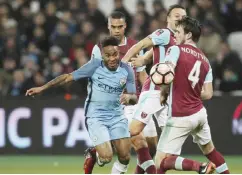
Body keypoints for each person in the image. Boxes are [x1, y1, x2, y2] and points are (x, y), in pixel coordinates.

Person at [26, 36, 136, 174]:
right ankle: (94, 155)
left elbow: (134, 97)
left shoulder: (127, 70)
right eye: (108, 55)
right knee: (107, 157)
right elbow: (67, 77)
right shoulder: (94, 66)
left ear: (119, 52)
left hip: (117, 116)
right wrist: (42, 88)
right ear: (102, 55)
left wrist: (129, 97)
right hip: (96, 116)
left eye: (115, 54)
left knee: (125, 156)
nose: (112, 58)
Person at [83, 11, 158, 174]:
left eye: (120, 27)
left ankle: (95, 153)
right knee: (139, 142)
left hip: (137, 100)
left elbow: (142, 74)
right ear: (108, 27)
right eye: (113, 27)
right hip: (117, 104)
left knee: (152, 147)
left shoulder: (135, 46)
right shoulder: (99, 49)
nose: (116, 30)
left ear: (125, 26)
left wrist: (150, 93)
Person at [156, 16, 230, 174]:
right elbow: (208, 93)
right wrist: (191, 93)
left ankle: (200, 167)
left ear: (188, 35)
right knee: (211, 151)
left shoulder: (176, 50)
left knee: (160, 162)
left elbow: (166, 73)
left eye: (178, 31)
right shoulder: (205, 61)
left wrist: (163, 89)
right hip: (199, 114)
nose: (175, 35)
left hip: (180, 115)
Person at [122, 4, 187, 173]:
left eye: (183, 16)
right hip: (153, 91)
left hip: (169, 95)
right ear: (168, 18)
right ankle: (99, 145)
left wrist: (142, 61)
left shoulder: (182, 40)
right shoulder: (164, 34)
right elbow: (141, 44)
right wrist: (124, 62)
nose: (180, 18)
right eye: (177, 16)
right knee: (135, 131)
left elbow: (148, 56)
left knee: (160, 149)